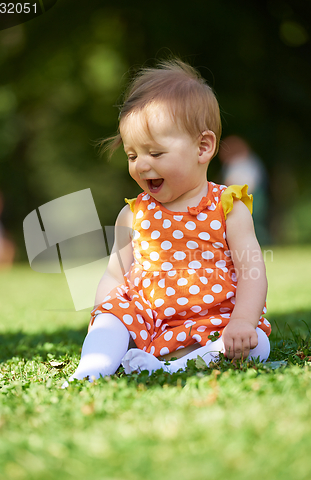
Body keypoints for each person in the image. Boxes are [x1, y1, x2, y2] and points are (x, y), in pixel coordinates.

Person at [64, 59, 271, 386]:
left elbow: (252, 272)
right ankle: (92, 369)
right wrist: (100, 317)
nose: (141, 165)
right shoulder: (133, 214)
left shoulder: (228, 207)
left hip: (214, 320)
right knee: (111, 320)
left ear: (203, 147)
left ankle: (173, 367)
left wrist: (243, 322)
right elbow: (115, 275)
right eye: (132, 156)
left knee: (257, 343)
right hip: (147, 318)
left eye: (155, 153)